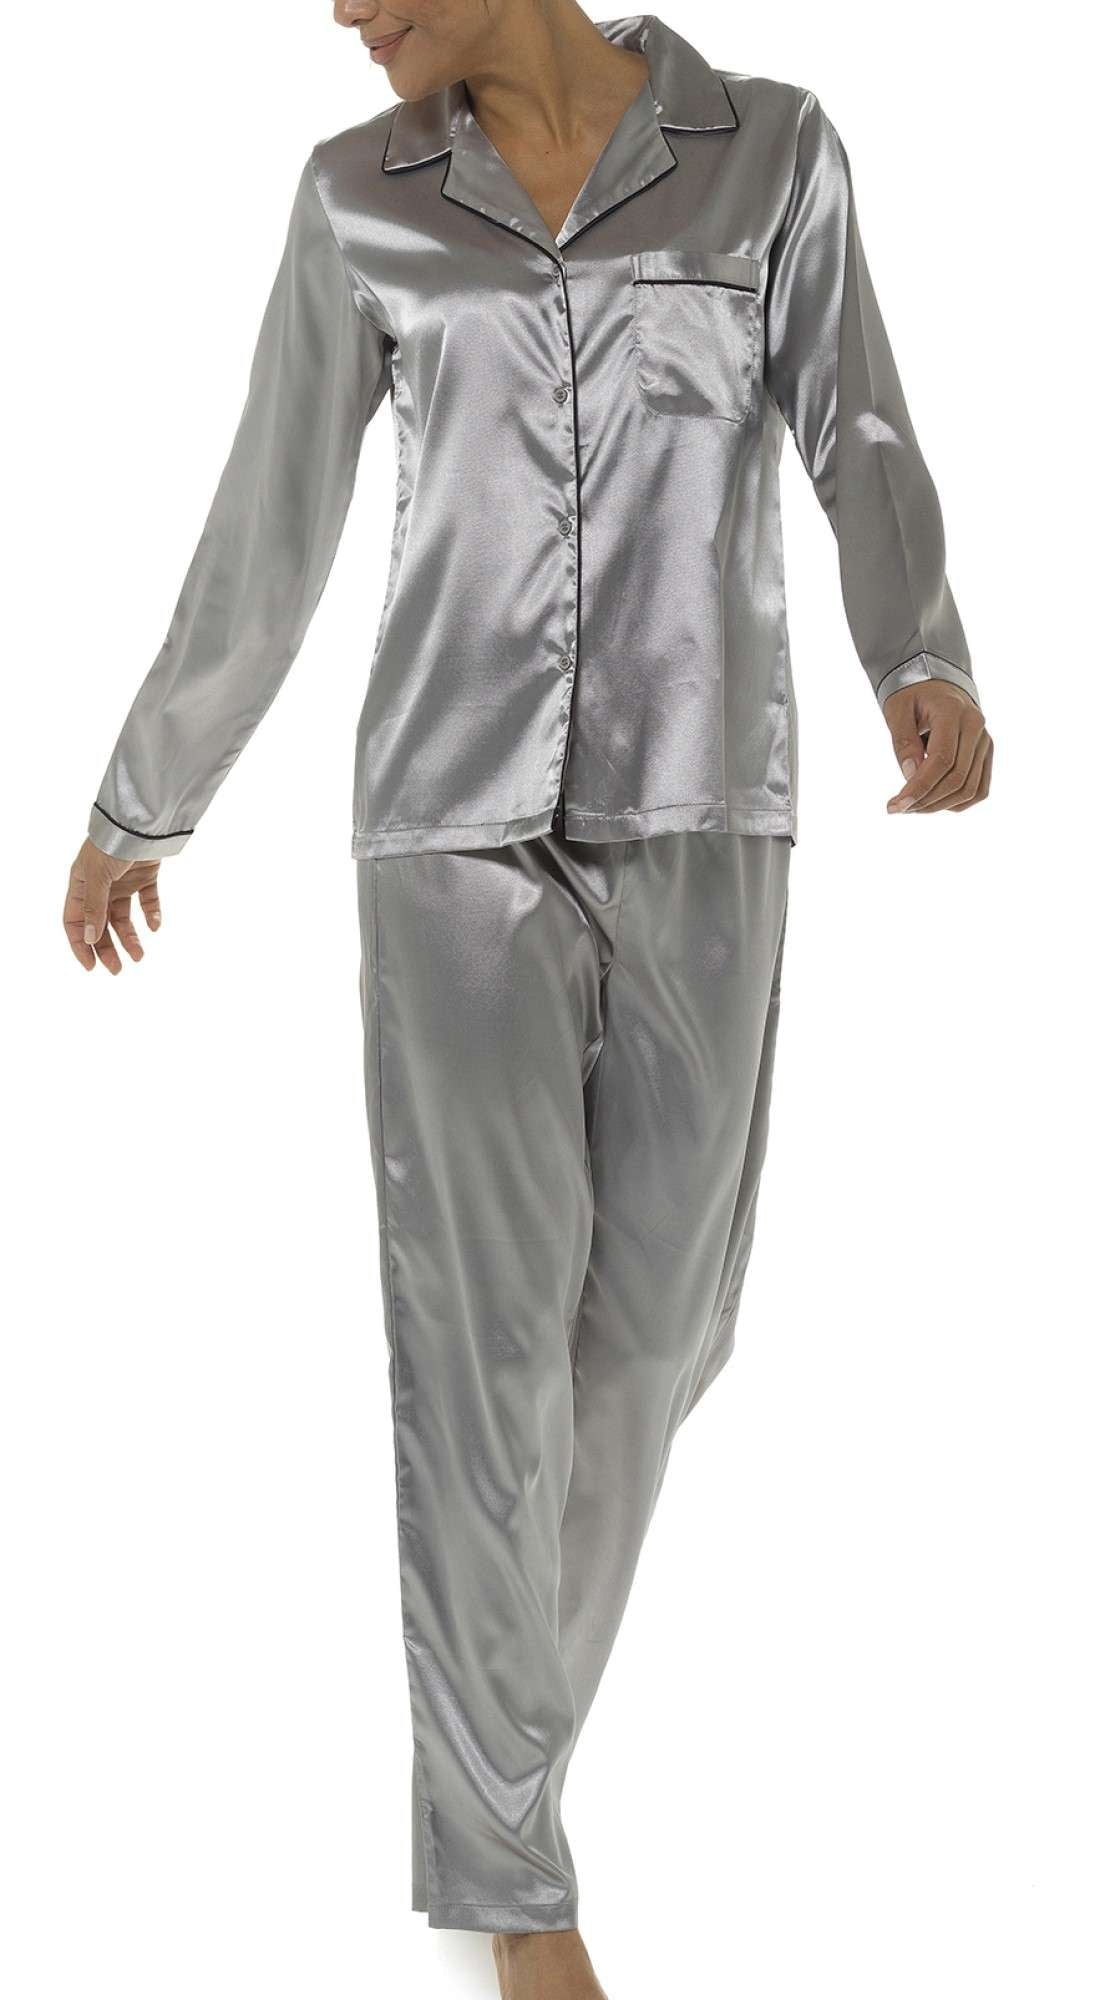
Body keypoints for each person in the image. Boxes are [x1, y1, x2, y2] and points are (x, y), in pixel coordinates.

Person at [64, 6, 993, 1995]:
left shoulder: (769, 152)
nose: (340, 10)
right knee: (476, 1354)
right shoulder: (357, 201)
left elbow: (856, 424)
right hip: (449, 830)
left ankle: (498, 1780)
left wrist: (915, 647)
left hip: (704, 803)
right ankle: (513, 1896)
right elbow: (269, 523)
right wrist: (147, 795)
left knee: (654, 1333)